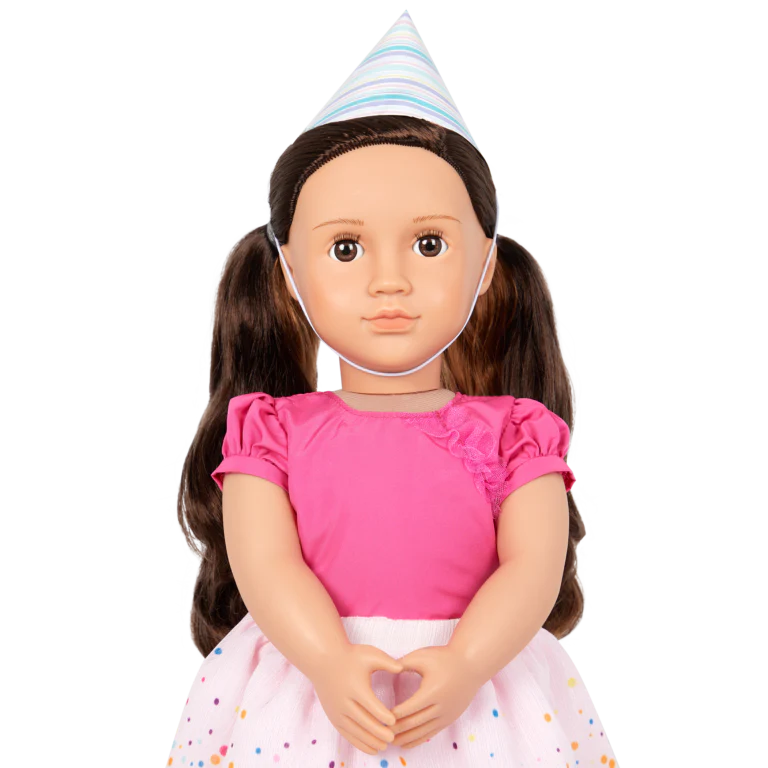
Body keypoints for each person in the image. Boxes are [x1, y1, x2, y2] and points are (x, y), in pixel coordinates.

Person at [169, 11, 618, 768]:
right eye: (346, 248)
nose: (389, 280)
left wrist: (469, 660)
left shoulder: (516, 432)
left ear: (485, 266)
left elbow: (531, 566)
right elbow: (267, 564)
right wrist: (326, 659)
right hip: (309, 693)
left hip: (478, 695)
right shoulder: (271, 431)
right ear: (289, 274)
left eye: (429, 244)